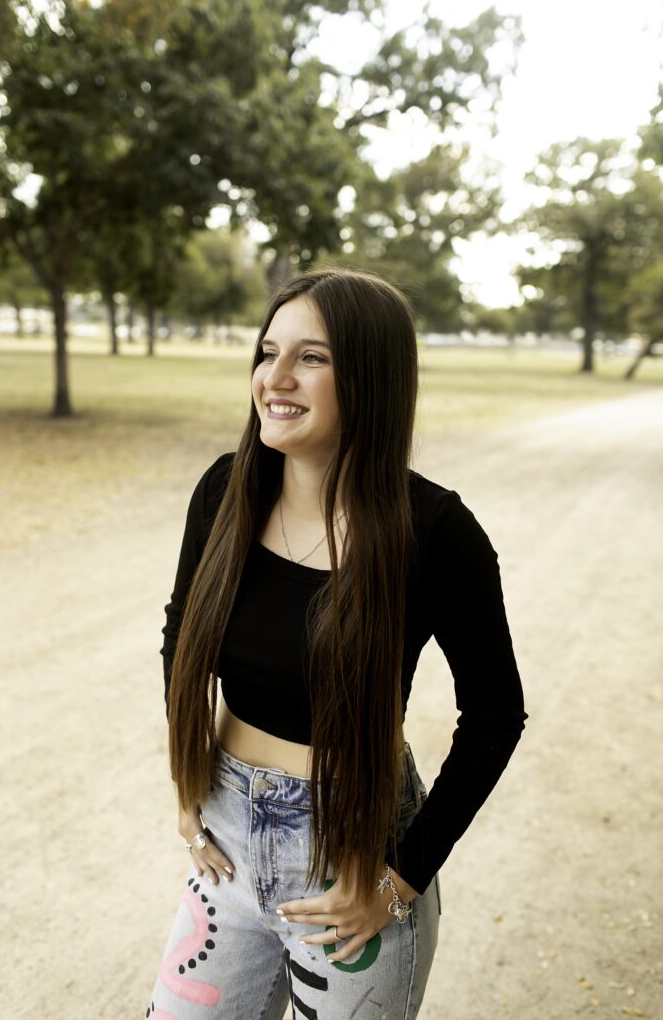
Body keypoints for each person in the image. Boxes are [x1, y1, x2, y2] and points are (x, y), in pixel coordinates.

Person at [146, 267, 527, 1020]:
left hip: (349, 852)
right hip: (224, 838)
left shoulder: (434, 531)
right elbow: (178, 634)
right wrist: (188, 780)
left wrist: (402, 879)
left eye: (310, 358)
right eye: (266, 351)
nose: (274, 378)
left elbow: (494, 714)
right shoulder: (226, 491)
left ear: (370, 376)